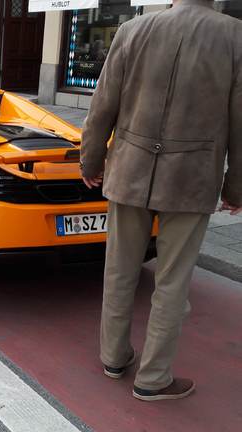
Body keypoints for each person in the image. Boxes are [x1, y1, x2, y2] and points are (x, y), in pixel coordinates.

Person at [80, 0, 241, 402]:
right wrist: (235, 187)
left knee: (119, 271)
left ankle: (113, 357)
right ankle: (153, 378)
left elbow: (102, 106)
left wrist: (91, 161)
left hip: (130, 168)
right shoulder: (235, 35)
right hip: (191, 176)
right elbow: (241, 121)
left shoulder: (133, 30)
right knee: (173, 280)